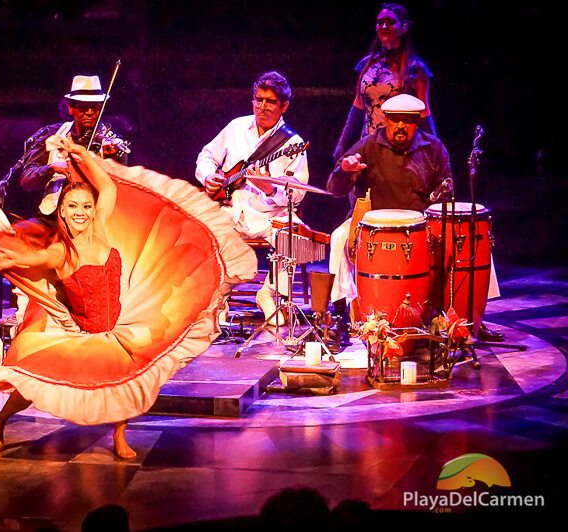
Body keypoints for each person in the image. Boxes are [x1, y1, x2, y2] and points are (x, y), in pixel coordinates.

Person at [0, 136, 256, 459]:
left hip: (118, 325)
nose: (81, 213)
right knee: (31, 385)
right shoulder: (60, 251)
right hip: (81, 332)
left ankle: (119, 437)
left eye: (86, 207)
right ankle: (1, 420)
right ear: (61, 211)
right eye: (73, 207)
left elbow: (107, 188)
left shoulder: (101, 227)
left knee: (126, 381)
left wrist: (81, 153)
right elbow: (27, 261)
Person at [326, 93, 503, 341]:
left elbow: (446, 195)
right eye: (395, 120)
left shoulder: (433, 149)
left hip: (422, 226)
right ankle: (339, 312)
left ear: (416, 122)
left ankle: (472, 317)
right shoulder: (367, 146)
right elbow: (334, 189)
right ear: (386, 120)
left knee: (474, 236)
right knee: (338, 237)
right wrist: (344, 170)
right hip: (372, 225)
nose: (400, 126)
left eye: (407, 121)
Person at [195, 71, 309, 325]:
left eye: (270, 102)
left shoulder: (293, 143)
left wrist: (269, 189)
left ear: (284, 106)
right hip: (232, 208)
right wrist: (209, 176)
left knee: (296, 236)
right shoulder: (236, 127)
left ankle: (268, 293)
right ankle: (219, 296)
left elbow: (298, 193)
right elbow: (206, 155)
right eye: (258, 100)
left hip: (270, 215)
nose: (262, 107)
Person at [332, 3, 435, 163]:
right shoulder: (367, 65)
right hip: (370, 147)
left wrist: (435, 149)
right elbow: (358, 106)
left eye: (390, 22)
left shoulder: (415, 69)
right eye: (380, 22)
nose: (384, 26)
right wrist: (342, 145)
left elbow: (423, 111)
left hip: (400, 150)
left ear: (404, 27)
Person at [19, 74, 129, 217]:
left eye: (95, 107)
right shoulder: (52, 134)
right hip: (52, 217)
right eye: (83, 107)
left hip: (91, 218)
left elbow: (119, 191)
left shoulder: (111, 143)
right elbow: (26, 181)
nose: (89, 112)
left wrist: (111, 161)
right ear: (71, 108)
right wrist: (50, 169)